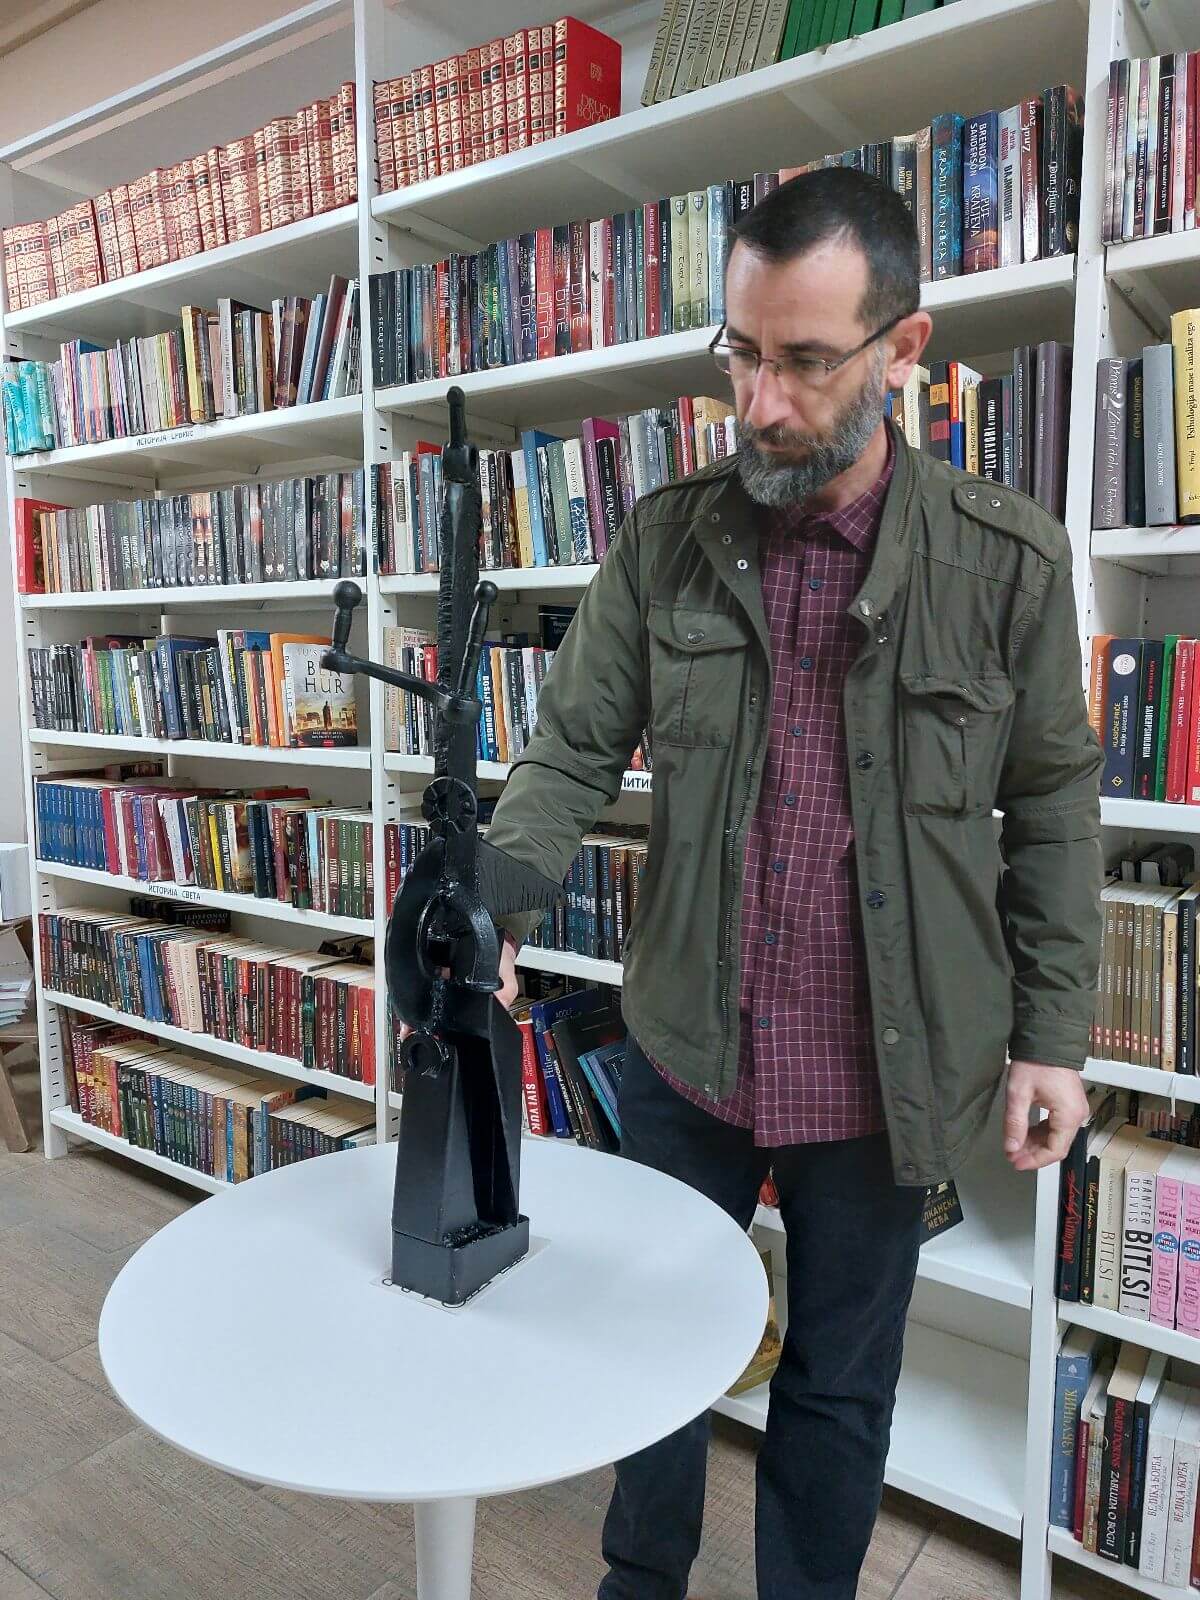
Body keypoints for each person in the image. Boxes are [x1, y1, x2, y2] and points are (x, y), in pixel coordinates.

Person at [479, 166, 1104, 1600]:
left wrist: (1054, 1035)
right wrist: (496, 905)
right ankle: (640, 1583)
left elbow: (1055, 804)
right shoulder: (666, 539)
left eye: (807, 361)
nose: (760, 403)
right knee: (652, 1352)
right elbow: (570, 748)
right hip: (690, 1045)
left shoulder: (1006, 563)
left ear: (904, 348)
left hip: (889, 1070)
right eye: (742, 355)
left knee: (837, 1384)